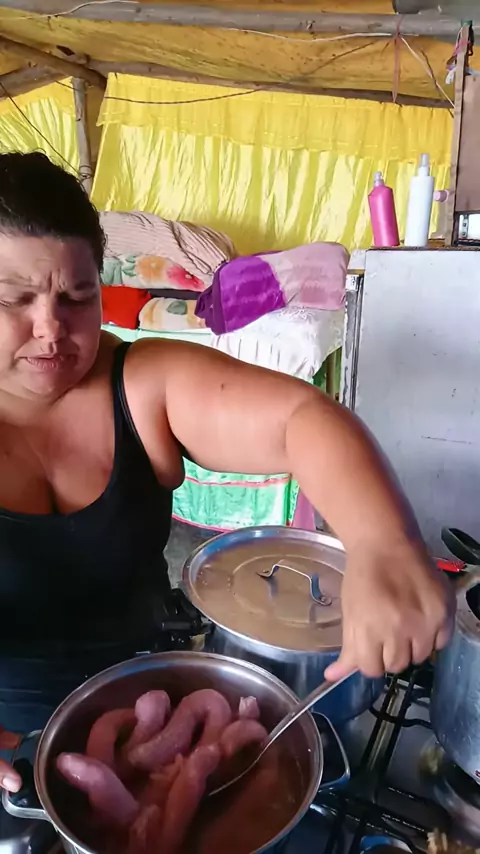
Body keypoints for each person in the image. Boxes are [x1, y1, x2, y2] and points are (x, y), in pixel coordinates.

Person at [0, 152, 453, 793]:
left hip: (161, 723)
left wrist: (386, 544)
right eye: (14, 299)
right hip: (13, 762)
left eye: (77, 297)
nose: (51, 328)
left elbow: (303, 419)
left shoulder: (142, 384)